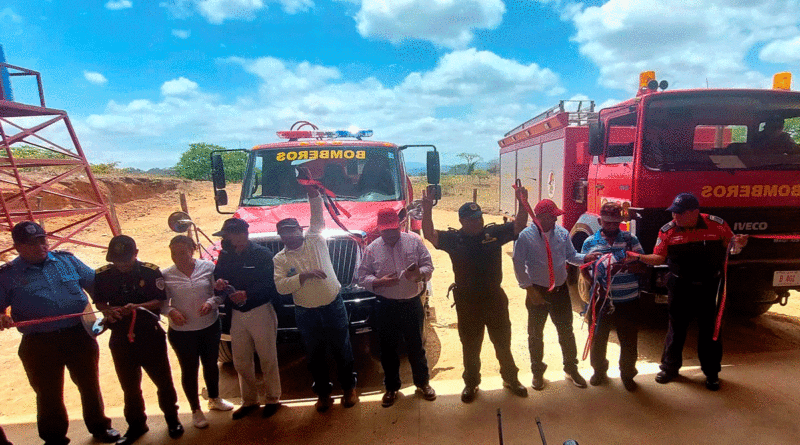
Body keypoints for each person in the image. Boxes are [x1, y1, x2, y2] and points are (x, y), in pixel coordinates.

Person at [0, 221, 120, 445]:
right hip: (39, 343)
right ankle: (54, 439)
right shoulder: (7, 274)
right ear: (17, 247)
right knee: (48, 394)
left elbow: (97, 285)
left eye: (42, 240)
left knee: (89, 384)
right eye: (31, 244)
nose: (40, 247)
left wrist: (105, 305)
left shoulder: (67, 260)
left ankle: (100, 427)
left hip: (79, 335)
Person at [421, 186, 529, 403]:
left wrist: (522, 202)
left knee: (502, 342)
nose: (477, 222)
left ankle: (510, 379)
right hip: (468, 302)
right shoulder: (454, 239)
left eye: (479, 217)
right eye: (472, 219)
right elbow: (430, 234)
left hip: (494, 298)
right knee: (470, 346)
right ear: (462, 221)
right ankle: (471, 384)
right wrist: (427, 209)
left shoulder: (493, 234)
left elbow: (518, 225)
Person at [629, 193, 747, 391]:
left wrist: (739, 245)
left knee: (710, 331)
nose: (675, 217)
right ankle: (669, 368)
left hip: (709, 286)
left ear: (694, 212)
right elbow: (659, 258)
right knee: (676, 329)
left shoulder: (716, 224)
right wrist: (638, 257)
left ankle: (711, 373)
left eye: (680, 213)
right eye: (673, 213)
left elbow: (731, 249)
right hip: (680, 286)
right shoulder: (668, 230)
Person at [273, 187, 359, 412]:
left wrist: (312, 191)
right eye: (284, 232)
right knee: (314, 354)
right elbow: (281, 288)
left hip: (333, 305)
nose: (289, 235)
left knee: (342, 349)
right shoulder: (280, 259)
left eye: (292, 230)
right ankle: (323, 394)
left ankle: (349, 388)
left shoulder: (315, 239)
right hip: (305, 311)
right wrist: (303, 276)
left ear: (300, 231)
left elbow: (317, 214)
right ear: (280, 236)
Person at [94, 235, 183, 444]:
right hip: (120, 338)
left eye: (126, 260)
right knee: (129, 386)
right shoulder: (103, 275)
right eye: (117, 261)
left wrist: (138, 306)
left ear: (136, 254)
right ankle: (136, 425)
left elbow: (161, 300)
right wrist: (108, 310)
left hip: (149, 334)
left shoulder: (150, 272)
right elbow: (99, 302)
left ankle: (172, 419)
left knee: (163, 381)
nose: (122, 265)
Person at [357, 208, 436, 407]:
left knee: (416, 347)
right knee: (387, 349)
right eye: (386, 230)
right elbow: (361, 277)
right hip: (386, 306)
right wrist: (378, 281)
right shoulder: (372, 249)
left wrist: (419, 275)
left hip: (411, 304)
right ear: (379, 229)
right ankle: (391, 387)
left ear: (399, 226)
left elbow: (429, 266)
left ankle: (423, 383)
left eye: (393, 229)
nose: (390, 234)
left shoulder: (414, 242)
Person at [512, 199, 588, 391]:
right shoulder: (525, 237)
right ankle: (537, 372)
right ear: (540, 217)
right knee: (535, 334)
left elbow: (571, 256)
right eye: (552, 217)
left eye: (556, 217)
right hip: (537, 292)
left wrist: (586, 258)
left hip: (560, 292)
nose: (555, 220)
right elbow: (518, 264)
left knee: (566, 332)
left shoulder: (562, 233)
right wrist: (529, 289)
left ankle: (571, 368)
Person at [162, 235, 234, 429]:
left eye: (182, 252)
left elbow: (220, 292)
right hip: (182, 332)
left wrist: (211, 303)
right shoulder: (166, 274)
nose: (177, 257)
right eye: (173, 253)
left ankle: (214, 398)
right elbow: (161, 303)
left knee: (210, 364)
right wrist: (171, 311)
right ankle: (195, 409)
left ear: (192, 250)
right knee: (189, 369)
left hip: (209, 326)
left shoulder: (208, 268)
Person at [213, 218, 282, 419]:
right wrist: (219, 283)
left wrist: (248, 294)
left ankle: (272, 399)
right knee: (241, 361)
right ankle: (249, 401)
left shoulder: (263, 255)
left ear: (244, 234)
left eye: (234, 235)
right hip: (237, 313)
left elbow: (271, 285)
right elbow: (219, 274)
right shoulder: (226, 255)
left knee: (267, 357)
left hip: (260, 310)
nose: (231, 240)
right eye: (228, 237)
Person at [580, 202, 645, 391]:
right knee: (598, 338)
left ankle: (627, 374)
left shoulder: (630, 240)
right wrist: (595, 285)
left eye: (615, 223)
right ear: (600, 221)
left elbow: (642, 266)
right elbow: (583, 268)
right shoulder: (589, 242)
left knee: (629, 339)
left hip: (628, 300)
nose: (611, 227)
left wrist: (626, 265)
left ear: (621, 222)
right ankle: (599, 371)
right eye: (607, 223)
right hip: (601, 301)